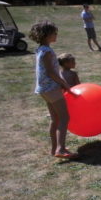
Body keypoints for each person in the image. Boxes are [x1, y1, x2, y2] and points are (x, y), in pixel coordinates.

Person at [30, 20, 78, 159]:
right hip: (51, 89)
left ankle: (54, 149)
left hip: (43, 89)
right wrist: (65, 84)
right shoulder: (47, 52)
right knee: (64, 117)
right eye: (54, 32)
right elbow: (51, 72)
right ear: (47, 35)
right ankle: (61, 149)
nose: (56, 34)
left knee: (55, 119)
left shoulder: (40, 49)